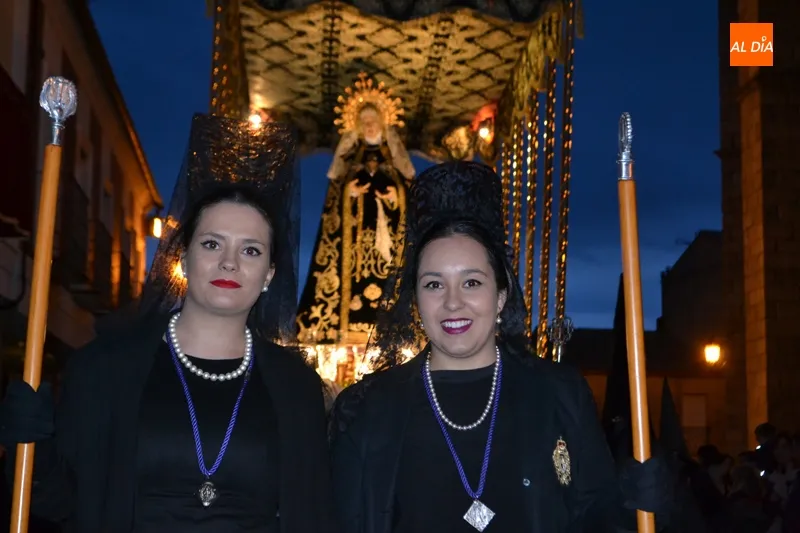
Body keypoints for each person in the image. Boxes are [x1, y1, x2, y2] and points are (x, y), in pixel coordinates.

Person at [0, 114, 336, 532]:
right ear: (184, 259)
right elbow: (59, 501)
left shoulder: (296, 387)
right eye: (211, 244)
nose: (229, 262)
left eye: (250, 250)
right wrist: (30, 446)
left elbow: (313, 514)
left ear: (269, 275)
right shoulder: (105, 368)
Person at [330, 162, 670, 532]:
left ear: (501, 295)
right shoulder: (366, 408)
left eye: (472, 283)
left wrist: (634, 503)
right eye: (434, 285)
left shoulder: (557, 393)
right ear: (415, 300)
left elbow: (593, 514)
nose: (453, 302)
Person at [296, 72, 415, 352]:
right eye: (365, 121)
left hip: (387, 245)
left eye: (374, 120)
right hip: (354, 248)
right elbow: (335, 198)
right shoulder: (350, 158)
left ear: (383, 122)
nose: (370, 126)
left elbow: (407, 194)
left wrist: (394, 196)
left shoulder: (393, 159)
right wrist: (350, 192)